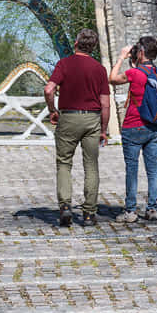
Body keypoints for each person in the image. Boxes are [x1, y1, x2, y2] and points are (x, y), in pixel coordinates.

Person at [44, 28, 111, 227]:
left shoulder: (64, 64)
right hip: (91, 120)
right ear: (93, 47)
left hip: (68, 118)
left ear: (76, 43)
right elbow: (105, 103)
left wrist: (52, 110)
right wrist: (104, 129)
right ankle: (89, 213)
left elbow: (49, 89)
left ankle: (65, 206)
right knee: (91, 166)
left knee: (64, 163)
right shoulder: (99, 69)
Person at [109, 35, 157, 222]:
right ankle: (152, 209)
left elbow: (112, 78)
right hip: (153, 127)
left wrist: (122, 57)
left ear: (140, 53)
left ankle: (131, 211)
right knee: (153, 170)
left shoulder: (134, 74)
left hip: (133, 126)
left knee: (132, 170)